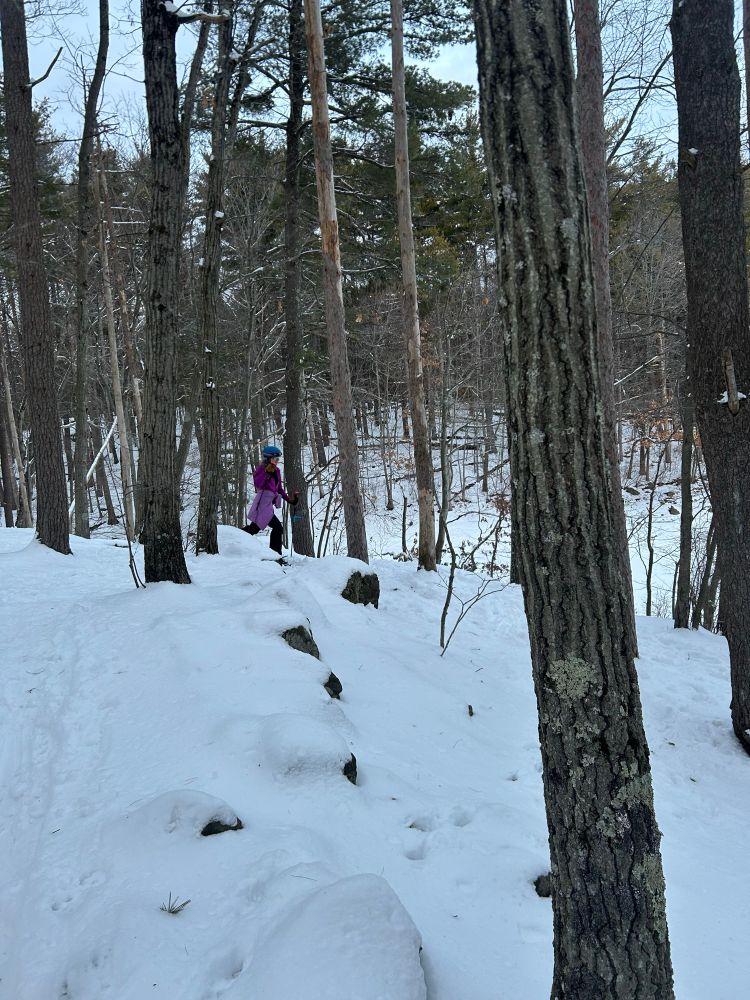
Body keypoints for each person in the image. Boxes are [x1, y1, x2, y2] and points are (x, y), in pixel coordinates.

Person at [243, 445, 299, 558]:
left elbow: (279, 489)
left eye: (278, 459)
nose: (277, 461)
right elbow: (258, 485)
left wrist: (290, 500)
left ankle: (233, 537)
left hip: (268, 504)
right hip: (262, 503)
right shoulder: (261, 469)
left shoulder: (276, 471)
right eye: (275, 459)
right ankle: (275, 555)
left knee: (253, 529)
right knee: (278, 528)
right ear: (268, 458)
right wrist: (267, 474)